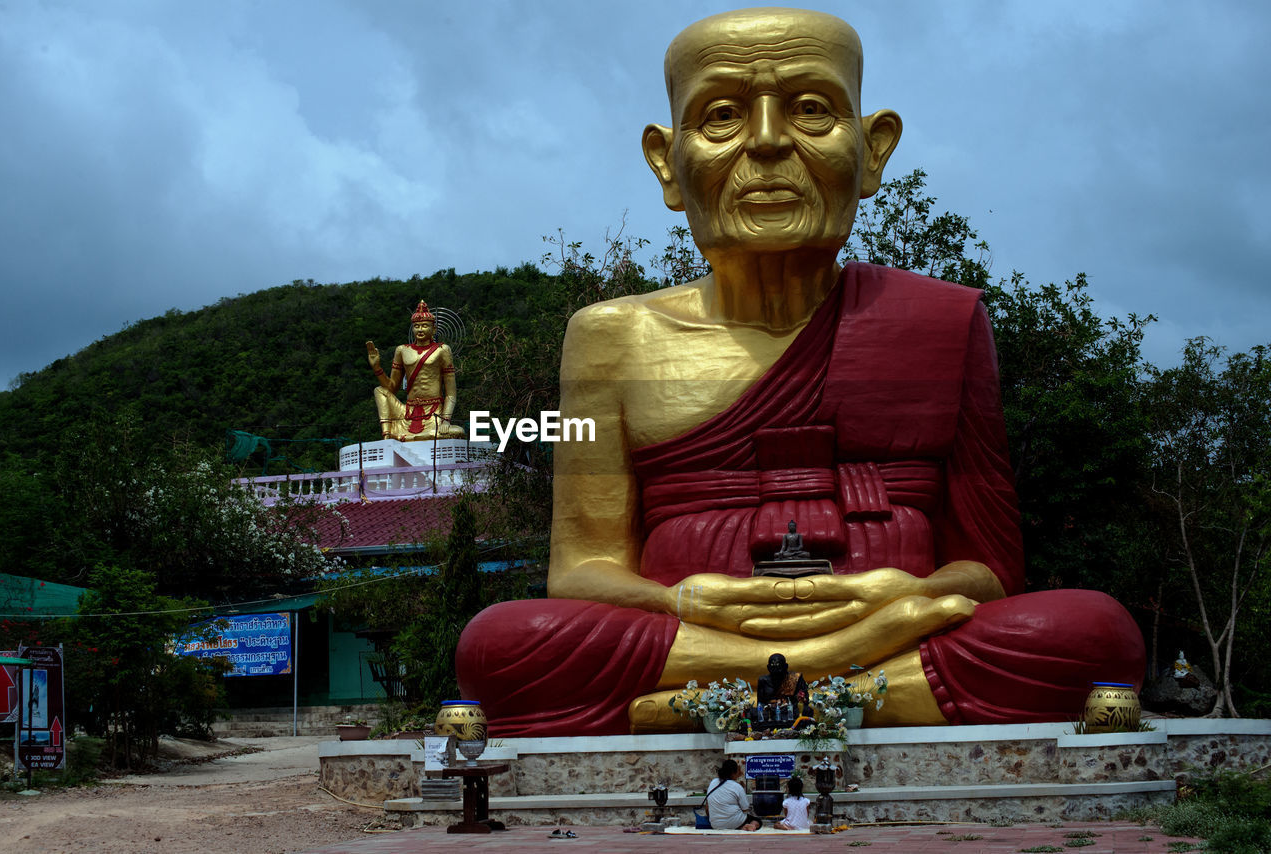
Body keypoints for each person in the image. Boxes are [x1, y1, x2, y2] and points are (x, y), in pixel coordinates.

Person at [455, 8, 1143, 735]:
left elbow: (989, 569)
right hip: (715, 628)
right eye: (720, 116)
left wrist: (899, 593)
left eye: (812, 109)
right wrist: (684, 603)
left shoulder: (939, 322)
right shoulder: (610, 337)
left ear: (873, 150)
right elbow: (583, 570)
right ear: (667, 162)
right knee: (501, 643)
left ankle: (708, 701)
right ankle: (852, 680)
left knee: (1091, 633)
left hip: (876, 620)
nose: (768, 142)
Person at [366, 301, 465, 441]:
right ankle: (387, 435)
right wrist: (377, 368)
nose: (420, 329)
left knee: (457, 432)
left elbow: (451, 393)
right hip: (407, 413)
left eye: (425, 326)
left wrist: (446, 420)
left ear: (434, 329)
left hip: (433, 413)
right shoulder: (402, 350)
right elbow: (391, 388)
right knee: (379, 391)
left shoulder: (442, 350)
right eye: (416, 326)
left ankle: (406, 437)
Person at [704, 759, 761, 831]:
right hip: (735, 822)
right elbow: (745, 808)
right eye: (738, 771)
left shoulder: (713, 782)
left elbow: (707, 806)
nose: (739, 773)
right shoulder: (737, 786)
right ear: (733, 773)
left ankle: (741, 827)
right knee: (757, 821)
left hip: (715, 824)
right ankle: (749, 826)